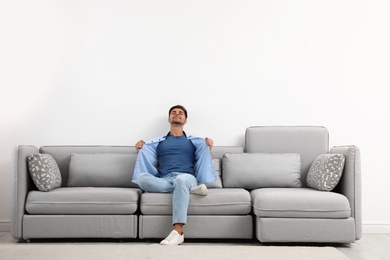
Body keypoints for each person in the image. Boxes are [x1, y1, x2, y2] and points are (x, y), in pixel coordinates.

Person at [132, 105, 216, 245]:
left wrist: (208, 147)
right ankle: (189, 191)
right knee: (142, 178)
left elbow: (203, 159)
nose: (177, 114)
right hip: (165, 179)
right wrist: (140, 146)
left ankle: (178, 231)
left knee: (180, 180)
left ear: (185, 120)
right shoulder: (158, 142)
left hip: (187, 177)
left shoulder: (194, 141)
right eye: (174, 113)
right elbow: (147, 155)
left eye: (180, 113)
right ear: (169, 118)